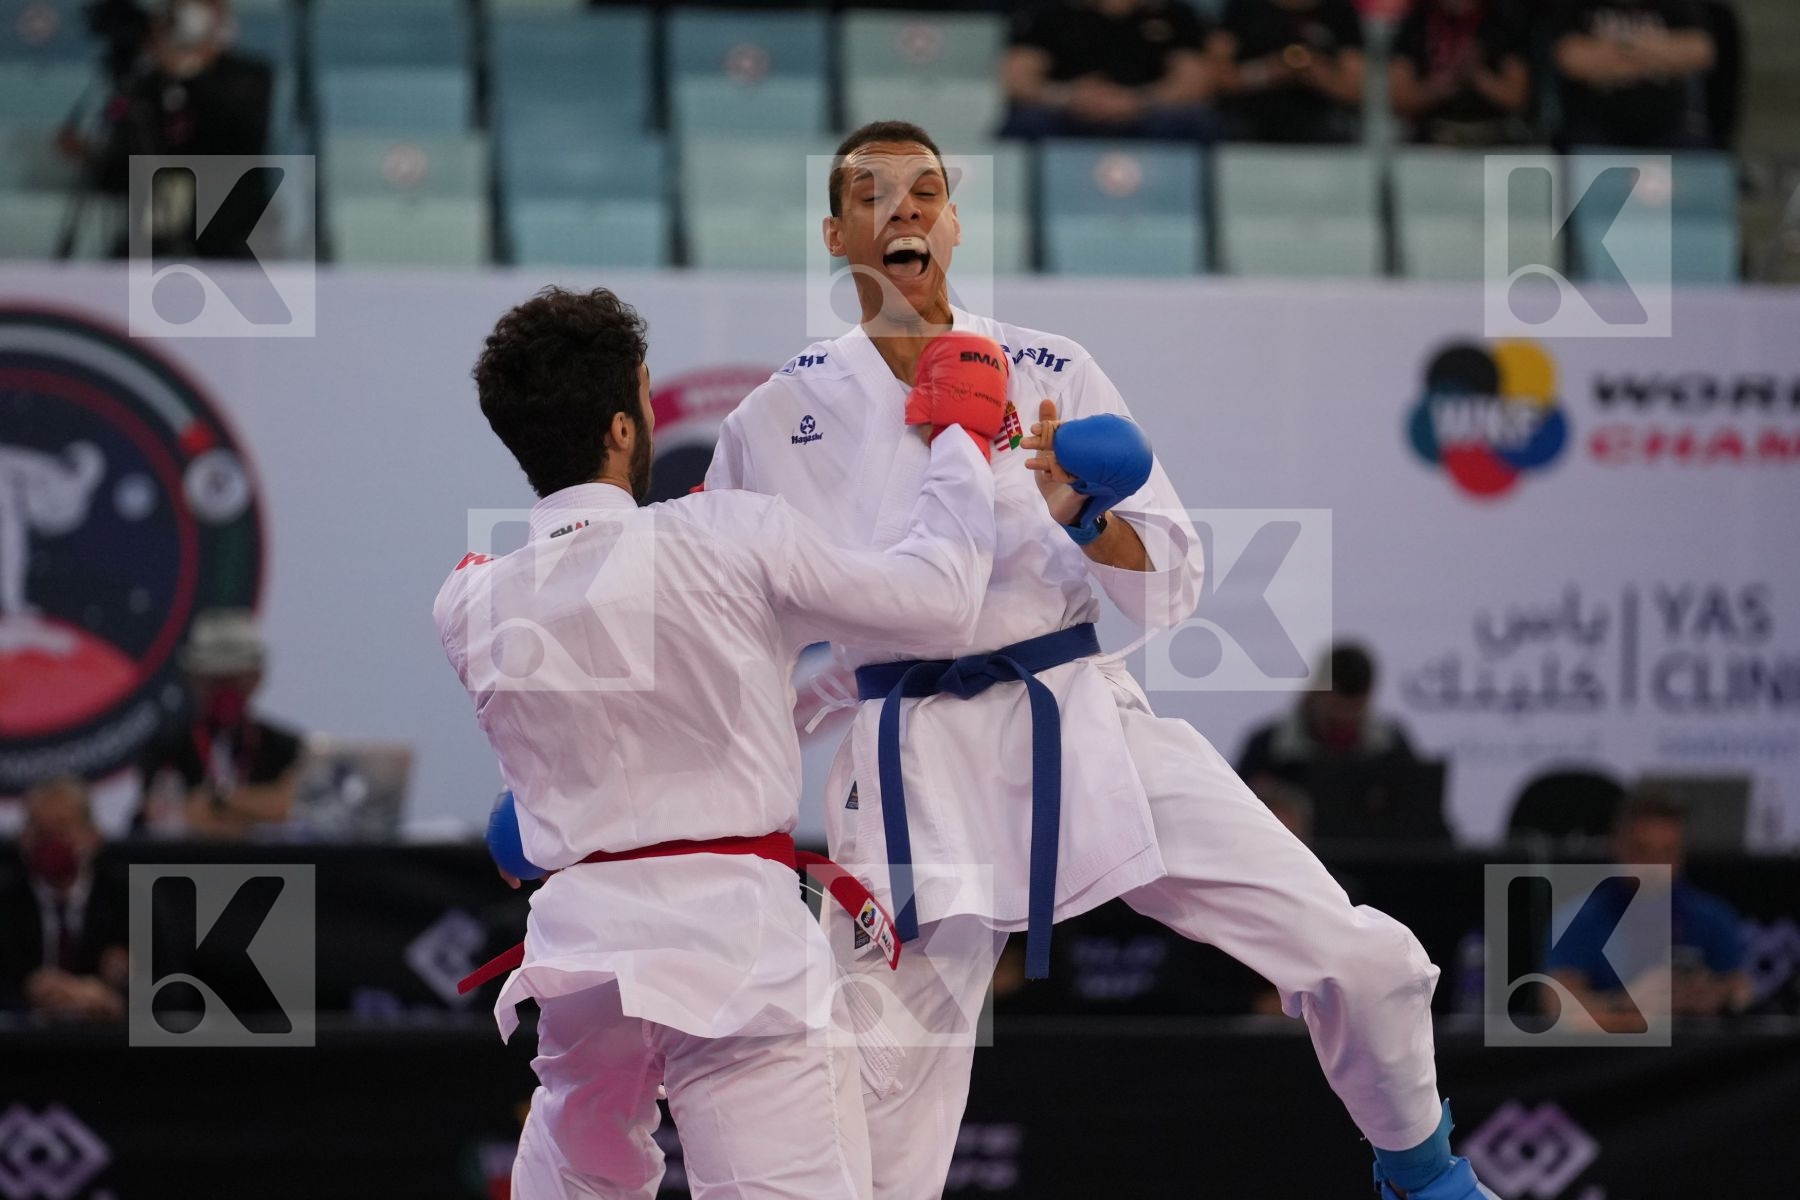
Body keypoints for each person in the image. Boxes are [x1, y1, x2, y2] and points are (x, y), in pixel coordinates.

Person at [705, 119, 1497, 1200]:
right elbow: (728, 623)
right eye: (873, 192)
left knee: (1367, 960)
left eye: (927, 189)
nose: (905, 208)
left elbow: (1168, 571)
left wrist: (1079, 516)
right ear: (836, 229)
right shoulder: (772, 417)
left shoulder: (1050, 368)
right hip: (910, 773)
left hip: (1078, 718)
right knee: (879, 1105)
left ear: (953, 220)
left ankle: (1428, 1173)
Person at [434, 286, 1002, 1199]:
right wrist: (964, 445)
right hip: (733, 952)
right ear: (625, 425)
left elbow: (601, 679)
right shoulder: (730, 535)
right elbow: (938, 605)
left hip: (581, 961)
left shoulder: (466, 601)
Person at [1546, 787, 1752, 1029]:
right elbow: (1556, 1006)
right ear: (1617, 847)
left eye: (1667, 852)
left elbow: (1742, 990)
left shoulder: (1712, 917)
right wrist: (1627, 1004)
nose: (1655, 866)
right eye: (1642, 851)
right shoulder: (1579, 919)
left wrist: (1716, 996)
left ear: (1682, 855)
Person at [82, 0, 275, 258]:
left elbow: (236, 132)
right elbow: (127, 170)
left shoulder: (248, 77)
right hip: (156, 239)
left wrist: (187, 66)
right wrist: (93, 156)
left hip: (230, 239)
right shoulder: (145, 87)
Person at [1237, 642, 1447, 842]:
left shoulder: (1390, 744)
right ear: (1313, 693)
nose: (1344, 718)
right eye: (1334, 712)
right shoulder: (1269, 748)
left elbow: (1423, 816)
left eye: (1354, 711)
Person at [136, 609, 304, 838]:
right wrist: (256, 808)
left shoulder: (285, 747)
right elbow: (164, 818)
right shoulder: (166, 745)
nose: (226, 690)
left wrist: (216, 804)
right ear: (194, 679)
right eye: (216, 680)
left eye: (235, 679)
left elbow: (292, 811)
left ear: (256, 678)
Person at [999, 0, 1220, 142]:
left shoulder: (1175, 15)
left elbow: (1194, 81)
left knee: (1191, 121)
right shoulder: (1047, 13)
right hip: (1067, 113)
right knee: (1028, 121)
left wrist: (1138, 101)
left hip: (1148, 113)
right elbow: (1018, 78)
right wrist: (1068, 97)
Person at [0, 778, 128, 1019]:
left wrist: (116, 995)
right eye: (41, 831)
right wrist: (31, 996)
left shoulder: (127, 897)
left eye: (62, 829)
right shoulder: (6, 901)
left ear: (94, 836)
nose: (51, 842)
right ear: (24, 838)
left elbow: (175, 989)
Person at [1550, 0, 1716, 148]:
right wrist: (1658, 55)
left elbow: (1701, 51)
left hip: (1667, 125)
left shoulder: (1676, 4)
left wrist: (1612, 55)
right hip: (1593, 126)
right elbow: (1571, 59)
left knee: (1696, 147)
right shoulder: (1576, 5)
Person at [1206, 0, 1365, 143]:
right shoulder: (1243, 7)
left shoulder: (1339, 10)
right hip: (1248, 117)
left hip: (1318, 119)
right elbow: (1216, 77)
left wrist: (1314, 70)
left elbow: (1354, 88)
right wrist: (1269, 71)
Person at [1389, 0, 1533, 146]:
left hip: (1494, 137)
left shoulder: (1502, 23)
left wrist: (1477, 75)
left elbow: (1517, 97)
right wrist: (1441, 85)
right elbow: (1400, 99)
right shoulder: (1417, 24)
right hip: (1434, 138)